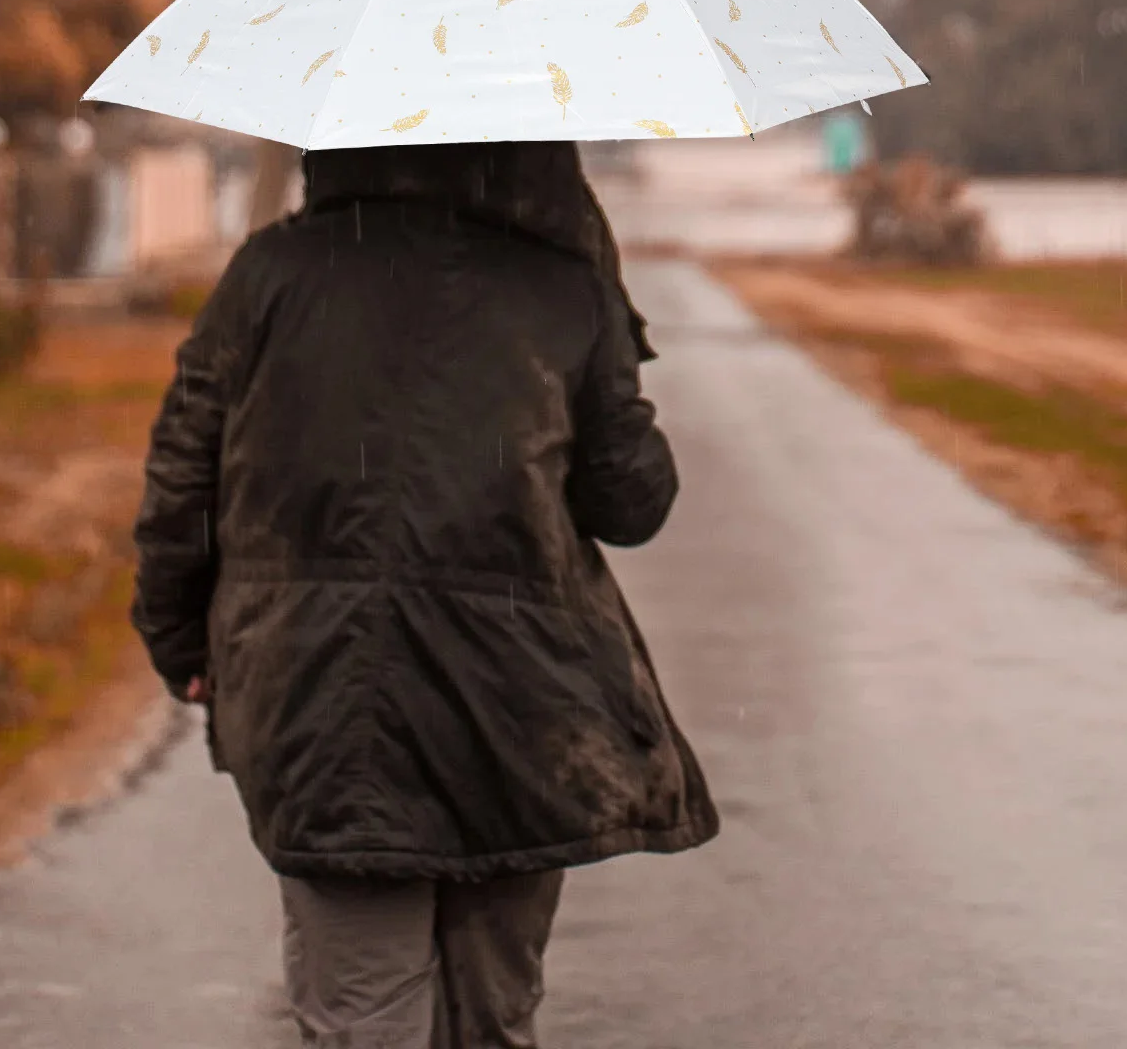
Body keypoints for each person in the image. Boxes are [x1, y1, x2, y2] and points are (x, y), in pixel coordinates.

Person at [130, 140, 718, 1048]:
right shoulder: (558, 286)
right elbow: (633, 502)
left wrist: (180, 640)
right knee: (493, 1017)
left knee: (361, 1016)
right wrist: (605, 327)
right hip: (517, 718)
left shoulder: (271, 275)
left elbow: (183, 482)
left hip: (319, 700)